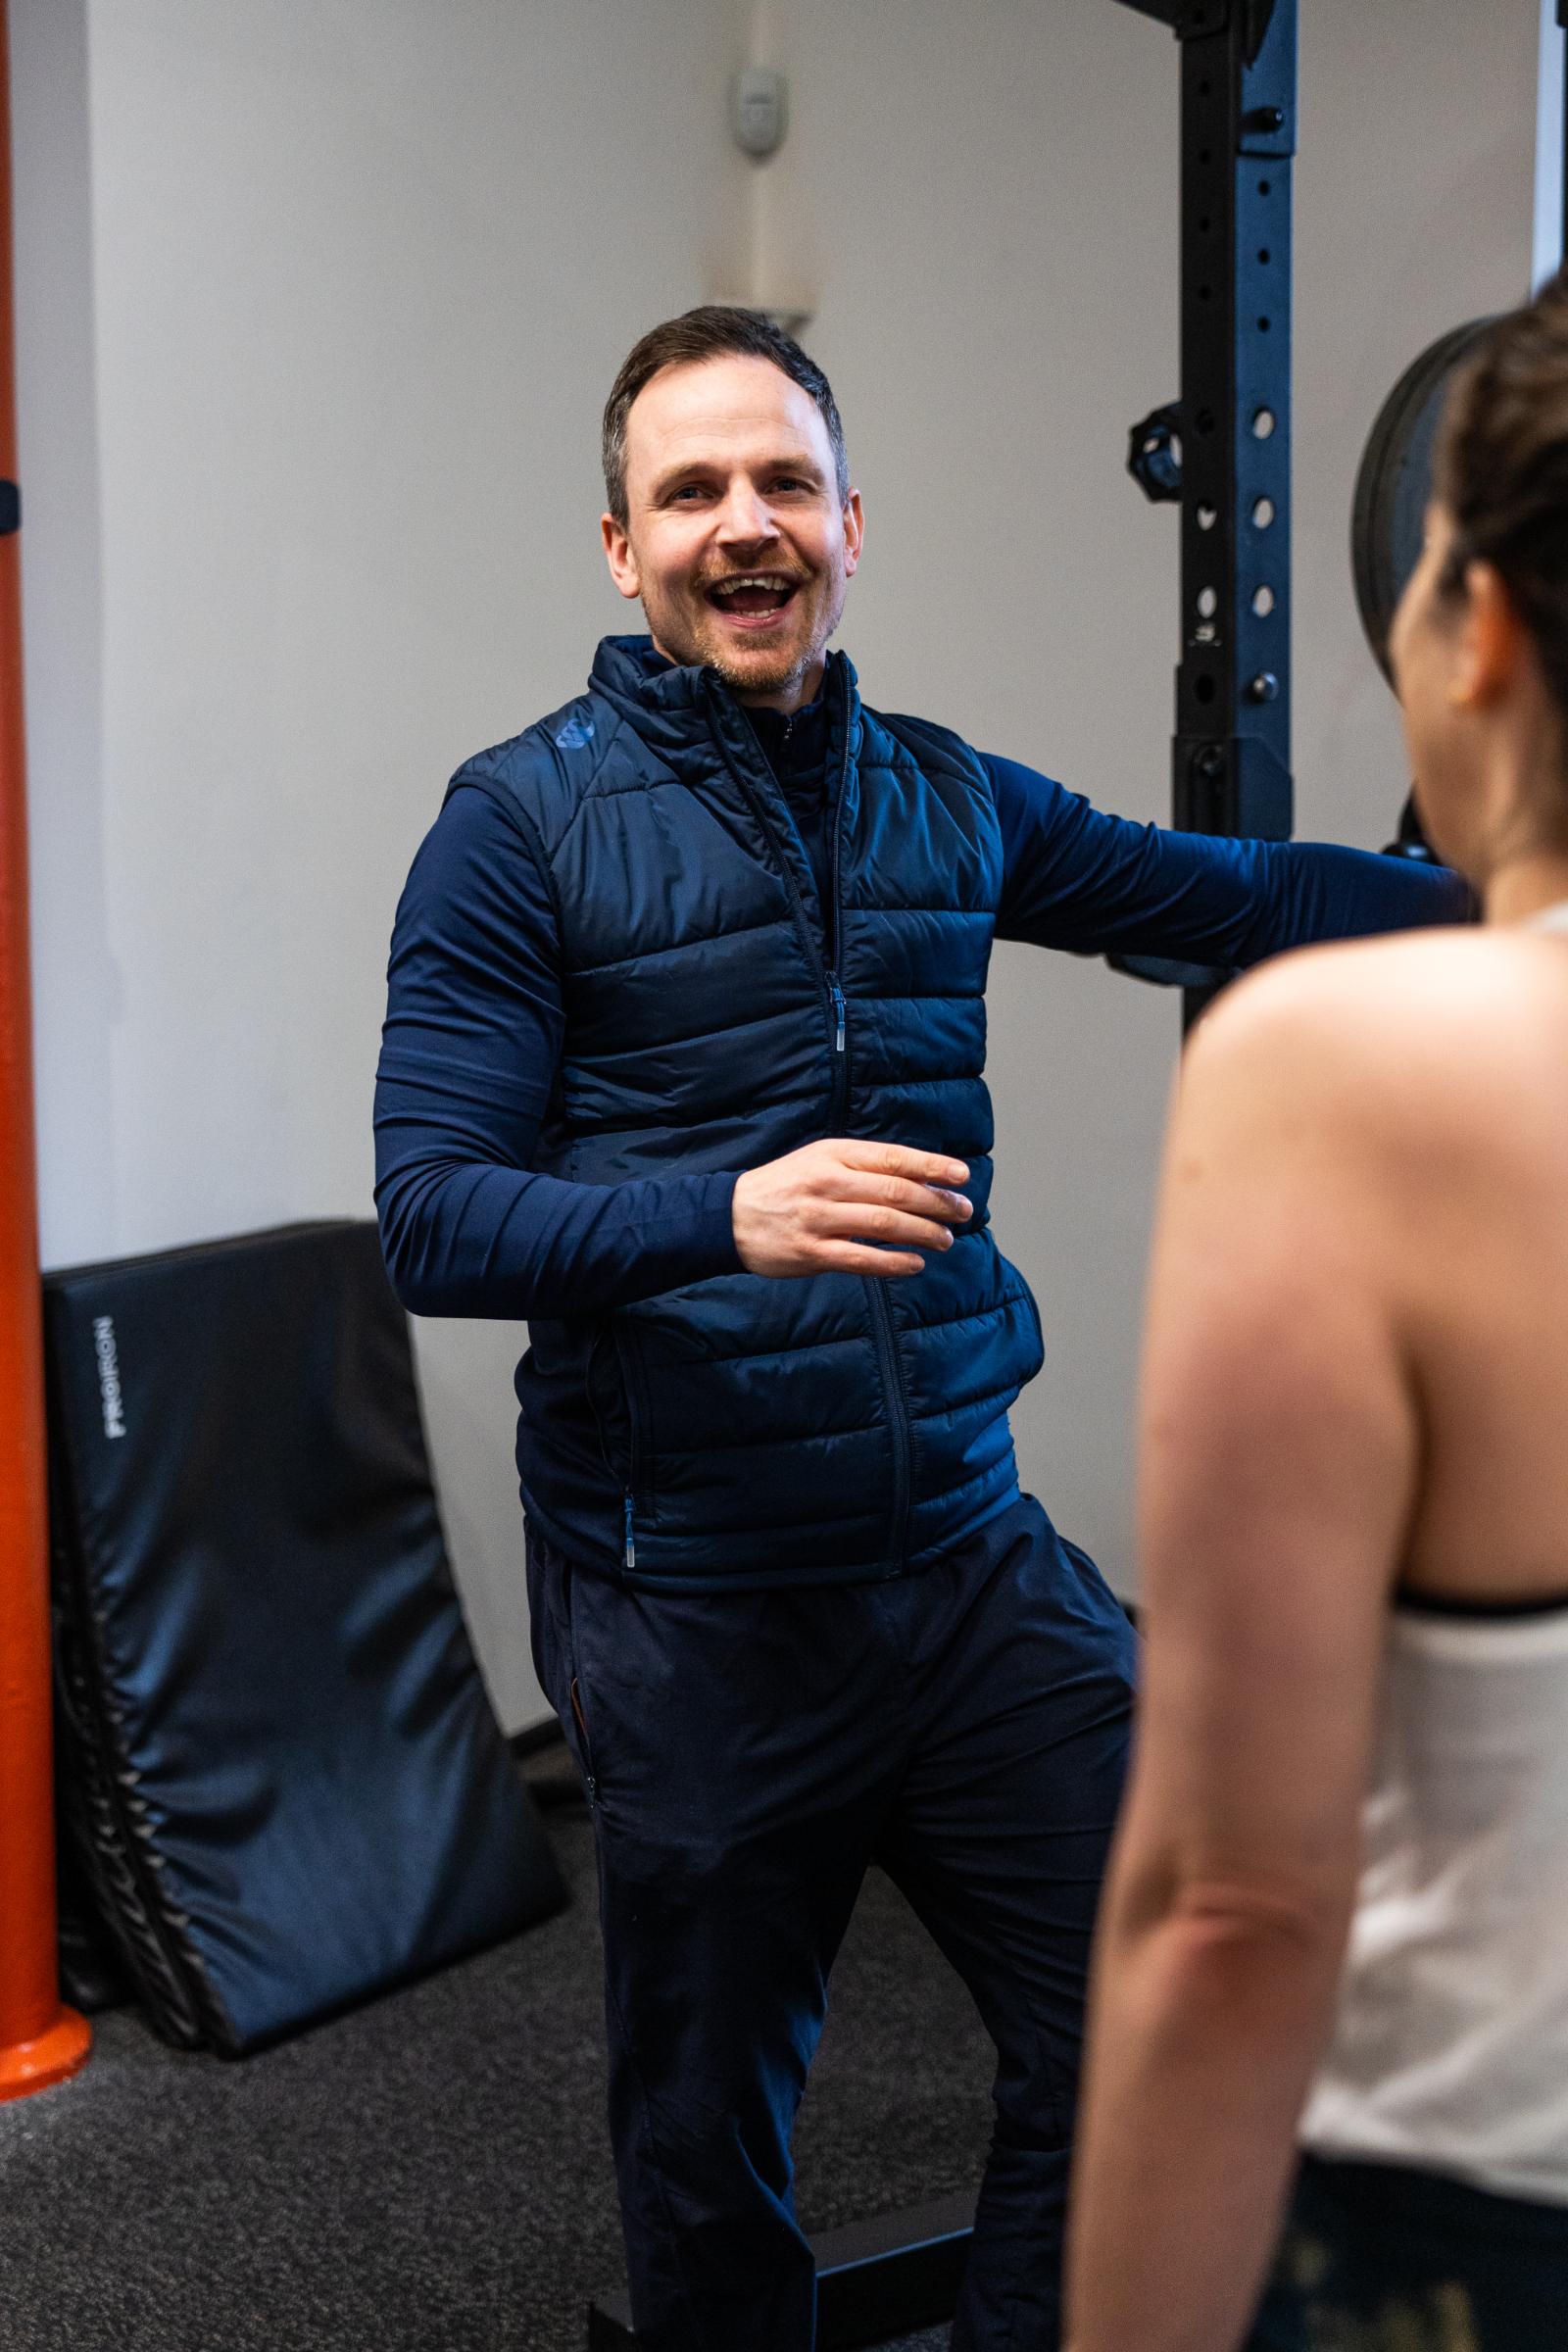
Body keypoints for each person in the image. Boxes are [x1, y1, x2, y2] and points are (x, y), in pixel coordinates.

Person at [372, 306, 1466, 2352]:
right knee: (710, 2156)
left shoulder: (940, 799)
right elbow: (429, 1215)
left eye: (782, 481)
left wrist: (1509, 890)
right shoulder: (514, 828)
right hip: (692, 1599)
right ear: (620, 548)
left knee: (1169, 2002)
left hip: (967, 1572)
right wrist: (725, 1212)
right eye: (690, 490)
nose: (743, 524)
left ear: (850, 523)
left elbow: (1228, 895)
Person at [1065, 269, 1568, 2352]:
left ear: (1475, 626)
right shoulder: (519, 828)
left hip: (1463, 2234)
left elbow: (1233, 1908)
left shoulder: (1337, 1076)